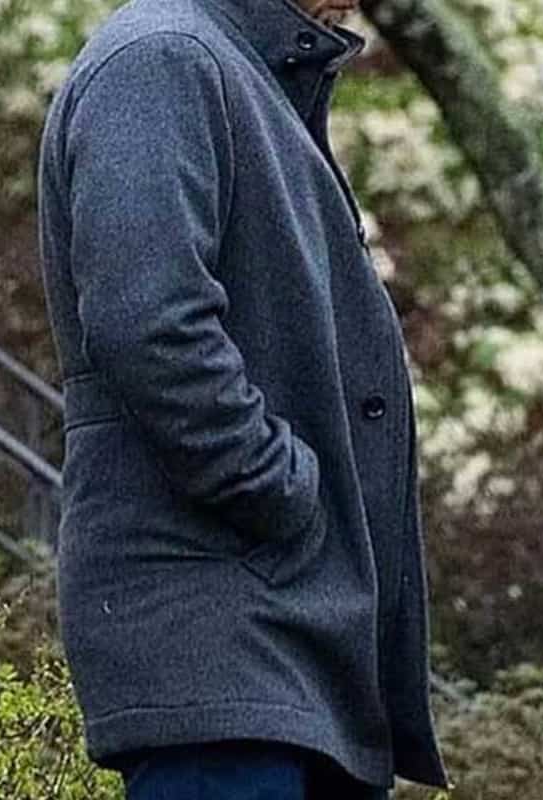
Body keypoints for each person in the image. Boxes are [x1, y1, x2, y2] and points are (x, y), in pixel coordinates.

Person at [36, 0, 453, 797]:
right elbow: (149, 326)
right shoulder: (162, 58)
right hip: (224, 646)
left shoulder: (242, 70)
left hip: (285, 653)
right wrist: (284, 491)